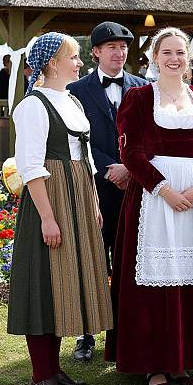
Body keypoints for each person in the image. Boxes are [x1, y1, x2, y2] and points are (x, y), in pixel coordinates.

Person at [104, 27, 193, 385]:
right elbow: (131, 153)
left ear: (188, 59)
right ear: (154, 58)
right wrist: (164, 190)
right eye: (167, 52)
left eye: (180, 53)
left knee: (190, 275)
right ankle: (154, 365)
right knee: (155, 280)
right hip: (152, 198)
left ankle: (183, 359)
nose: (174, 59)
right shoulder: (140, 97)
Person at [7, 32, 113, 385]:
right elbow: (31, 167)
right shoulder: (33, 106)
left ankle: (53, 370)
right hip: (50, 200)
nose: (80, 62)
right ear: (53, 62)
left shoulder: (69, 100)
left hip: (78, 194)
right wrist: (48, 219)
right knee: (43, 284)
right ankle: (40, 376)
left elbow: (86, 159)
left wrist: (94, 203)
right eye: (74, 56)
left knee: (65, 281)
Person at [68, 21, 147, 361]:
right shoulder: (75, 90)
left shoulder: (146, 88)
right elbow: (75, 138)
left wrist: (131, 168)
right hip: (95, 190)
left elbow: (150, 136)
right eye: (111, 46)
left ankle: (124, 333)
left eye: (124, 46)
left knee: (131, 263)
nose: (119, 52)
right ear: (96, 52)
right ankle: (87, 334)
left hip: (136, 189)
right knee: (92, 260)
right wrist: (109, 168)